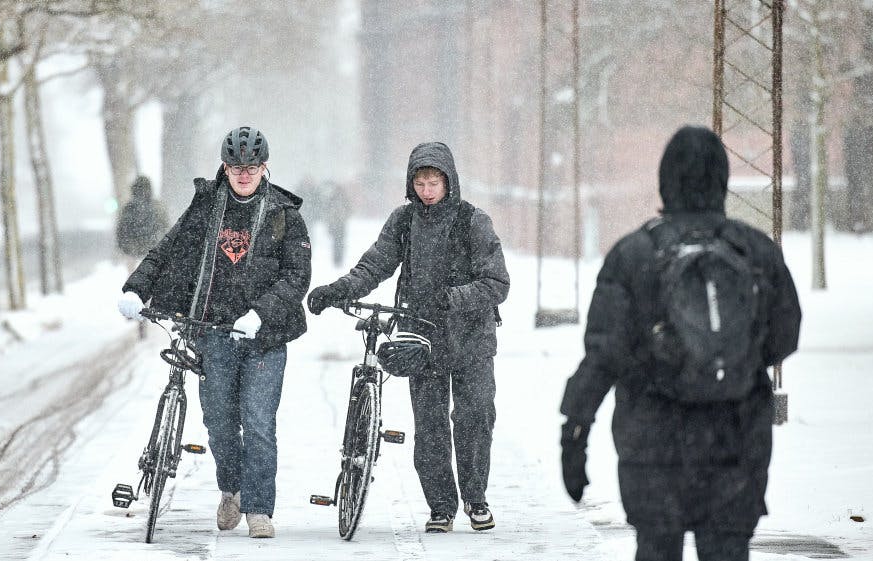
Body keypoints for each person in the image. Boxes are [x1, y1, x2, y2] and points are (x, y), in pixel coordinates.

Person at [559, 126, 801, 561]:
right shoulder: (754, 250)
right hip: (736, 439)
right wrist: (725, 363)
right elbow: (785, 335)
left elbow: (602, 356)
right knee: (728, 550)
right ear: (722, 180)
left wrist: (574, 434)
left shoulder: (633, 254)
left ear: (665, 179)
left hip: (653, 443)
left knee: (656, 547)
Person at [117, 126, 311, 539]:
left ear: (264, 168)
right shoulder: (206, 207)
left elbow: (297, 276)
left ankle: (259, 509)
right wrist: (136, 286)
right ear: (225, 167)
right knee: (220, 423)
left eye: (252, 167)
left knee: (259, 423)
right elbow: (166, 250)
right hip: (214, 331)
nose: (244, 174)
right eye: (237, 167)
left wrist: (260, 314)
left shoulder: (283, 215)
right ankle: (233, 489)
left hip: (264, 339)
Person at [306, 142, 509, 533]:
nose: (427, 190)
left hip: (472, 339)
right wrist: (340, 289)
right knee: (430, 427)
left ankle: (475, 497)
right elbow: (375, 264)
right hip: (423, 339)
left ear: (449, 182)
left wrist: (454, 297)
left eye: (434, 182)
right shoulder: (404, 221)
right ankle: (441, 506)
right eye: (420, 182)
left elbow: (497, 283)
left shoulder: (473, 222)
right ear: (410, 184)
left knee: (475, 417)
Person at [115, 175, 169, 338]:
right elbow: (165, 227)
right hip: (150, 252)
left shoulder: (128, 208)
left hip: (132, 252)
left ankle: (132, 309)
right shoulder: (156, 206)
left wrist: (125, 249)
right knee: (150, 281)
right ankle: (149, 307)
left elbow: (121, 231)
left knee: (133, 282)